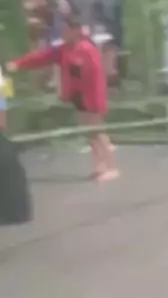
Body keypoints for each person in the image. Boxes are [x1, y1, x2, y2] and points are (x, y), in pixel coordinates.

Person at [6, 12, 118, 183]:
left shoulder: (87, 50)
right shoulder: (63, 49)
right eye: (62, 30)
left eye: (66, 30)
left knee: (98, 131)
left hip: (91, 98)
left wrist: (96, 103)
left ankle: (111, 166)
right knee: (89, 133)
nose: (63, 33)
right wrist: (19, 63)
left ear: (76, 31)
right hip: (78, 97)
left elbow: (96, 78)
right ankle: (100, 165)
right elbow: (42, 57)